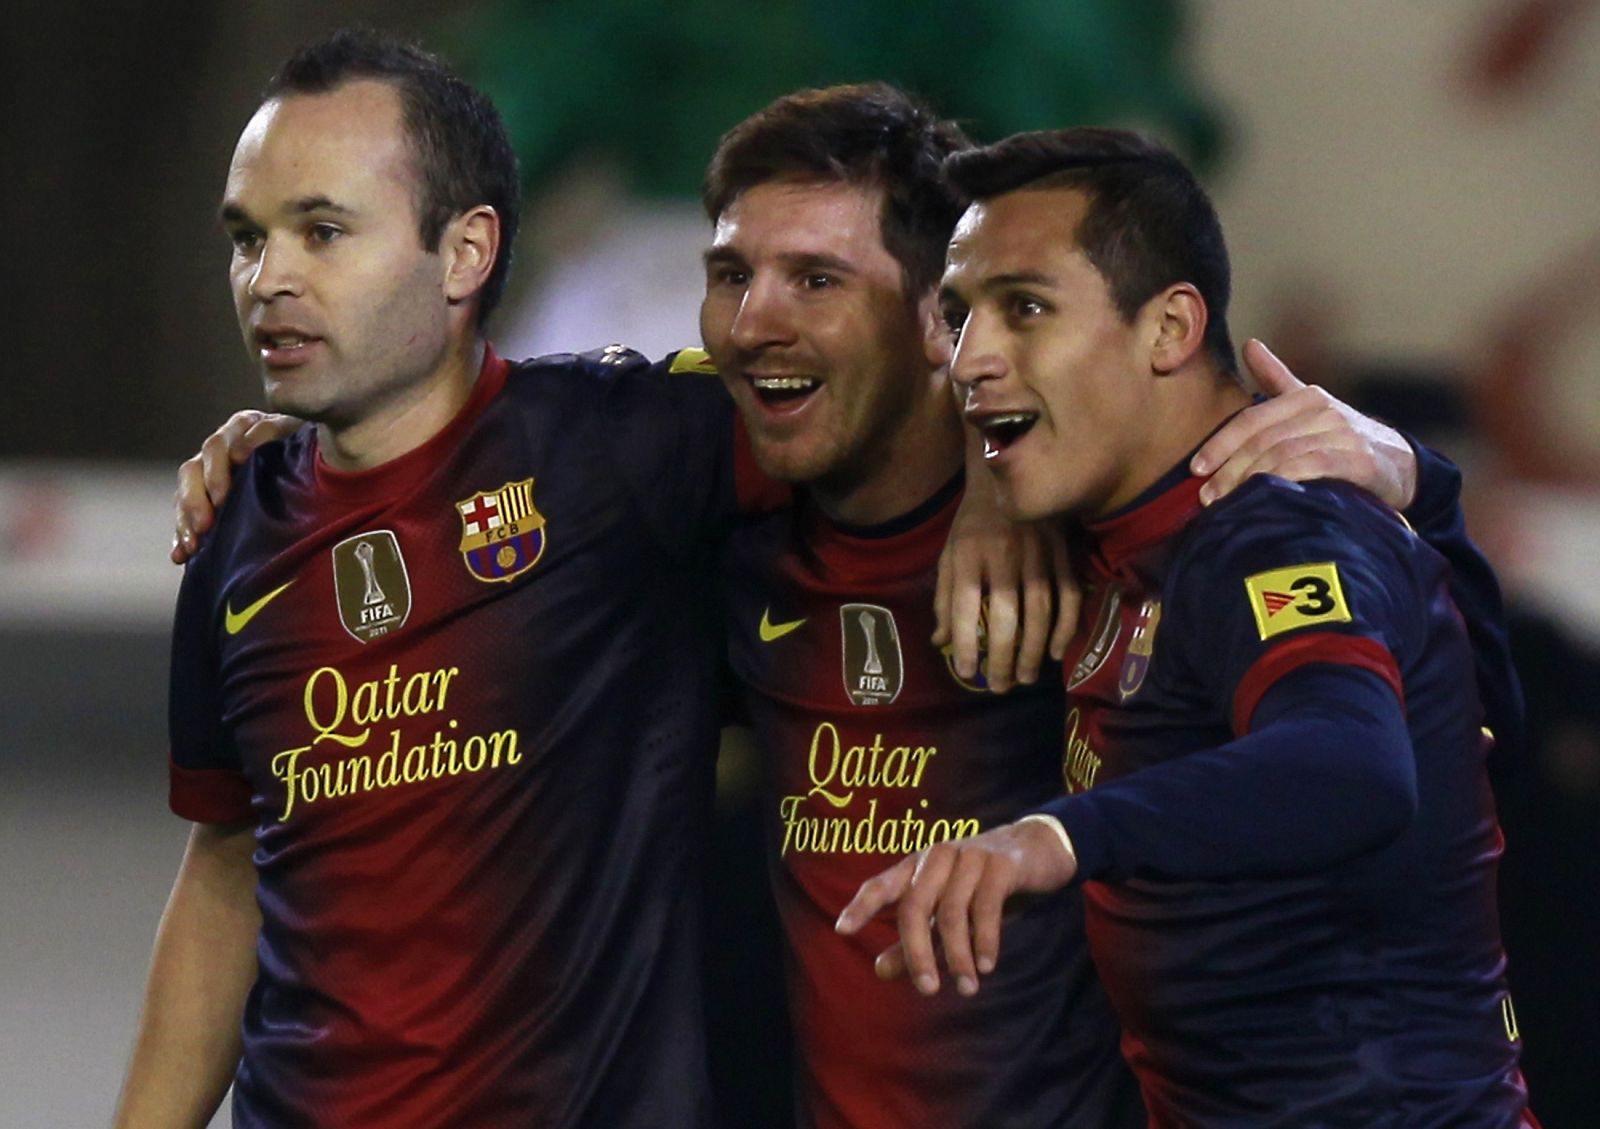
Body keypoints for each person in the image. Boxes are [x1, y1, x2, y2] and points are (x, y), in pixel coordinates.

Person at [172, 77, 1509, 1128]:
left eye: (818, 279)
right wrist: (298, 446)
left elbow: (1401, 718)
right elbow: (486, 432)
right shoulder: (713, 541)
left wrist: (1406, 475)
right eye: (732, 272)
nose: (757, 318)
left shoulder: (1145, 535)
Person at [115, 29, 784, 1128]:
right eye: (248, 238)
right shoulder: (236, 527)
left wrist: (998, 505)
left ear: (466, 252)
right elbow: (231, 862)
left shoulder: (623, 449)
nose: (268, 278)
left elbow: (878, 415)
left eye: (322, 232)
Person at [839, 127, 1536, 1127]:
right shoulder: (1121, 525)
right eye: (960, 315)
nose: (971, 358)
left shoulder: (1271, 530)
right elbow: (1474, 724)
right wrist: (1432, 496)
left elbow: (1351, 764)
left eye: (1024, 308)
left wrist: (1048, 840)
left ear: (1169, 330)